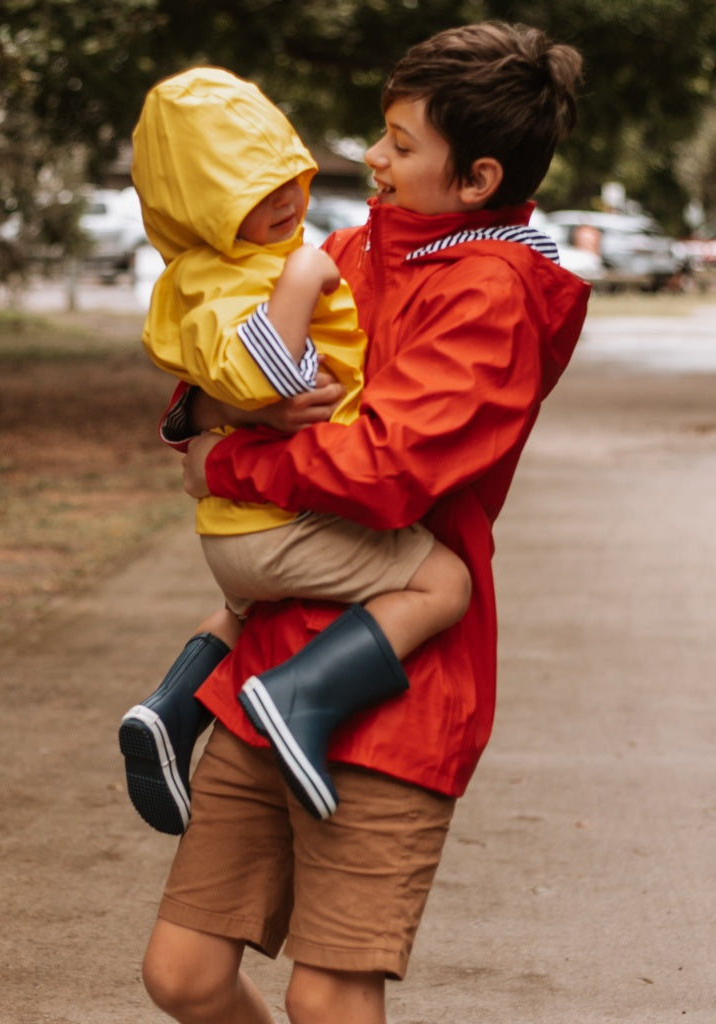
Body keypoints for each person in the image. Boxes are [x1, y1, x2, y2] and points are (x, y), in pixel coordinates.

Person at [138, 22, 591, 1024]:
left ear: (474, 178)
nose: (372, 159)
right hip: (269, 660)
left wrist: (233, 458)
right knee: (184, 974)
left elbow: (390, 471)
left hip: (395, 692)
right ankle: (185, 693)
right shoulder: (350, 249)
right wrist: (199, 415)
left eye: (397, 143)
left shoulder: (491, 295)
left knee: (328, 995)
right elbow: (231, 360)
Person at [118, 67, 472, 835]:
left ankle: (171, 711)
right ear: (204, 208)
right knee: (445, 585)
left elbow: (211, 391)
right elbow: (261, 376)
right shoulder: (258, 274)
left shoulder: (203, 275)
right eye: (252, 195)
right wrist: (307, 275)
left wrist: (207, 422)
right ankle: (301, 697)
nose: (284, 202)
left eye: (290, 179)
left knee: (248, 608)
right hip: (274, 519)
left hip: (238, 530)